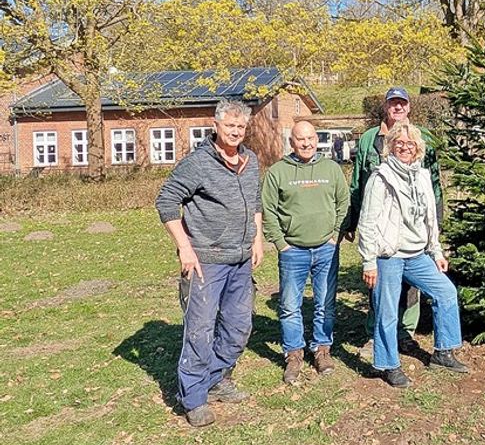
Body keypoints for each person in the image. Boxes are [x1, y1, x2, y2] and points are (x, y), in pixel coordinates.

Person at [155, 100, 263, 427]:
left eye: (240, 127)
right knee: (200, 329)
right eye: (229, 126)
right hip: (206, 260)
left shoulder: (250, 160)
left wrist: (257, 238)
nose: (235, 132)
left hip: (241, 259)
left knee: (238, 326)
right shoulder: (199, 163)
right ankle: (193, 396)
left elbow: (255, 201)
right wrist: (185, 249)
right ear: (215, 125)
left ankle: (216, 378)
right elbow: (166, 201)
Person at [358, 123, 467, 388]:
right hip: (389, 256)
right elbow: (368, 222)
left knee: (446, 292)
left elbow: (430, 218)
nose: (405, 147)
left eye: (410, 144)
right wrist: (369, 261)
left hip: (418, 255)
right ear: (391, 146)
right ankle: (388, 364)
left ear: (418, 147)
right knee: (387, 311)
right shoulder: (381, 177)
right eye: (399, 143)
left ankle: (443, 352)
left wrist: (436, 251)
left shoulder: (422, 176)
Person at [344, 87, 443, 357]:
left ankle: (405, 333)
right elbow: (357, 183)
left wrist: (437, 227)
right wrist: (351, 222)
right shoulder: (368, 140)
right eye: (393, 104)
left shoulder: (421, 138)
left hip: (413, 230)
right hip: (380, 227)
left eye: (402, 104)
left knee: (412, 287)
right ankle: (375, 334)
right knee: (379, 282)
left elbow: (433, 185)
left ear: (409, 108)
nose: (397, 108)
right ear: (385, 107)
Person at [262, 121, 349, 384]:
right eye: (301, 139)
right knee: (290, 306)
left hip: (326, 249)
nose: (307, 143)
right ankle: (294, 353)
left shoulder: (331, 169)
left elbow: (343, 202)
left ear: (317, 139)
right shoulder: (278, 172)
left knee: (325, 303)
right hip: (293, 251)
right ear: (292, 143)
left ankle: (322, 349)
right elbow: (268, 210)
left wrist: (336, 235)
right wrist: (280, 243)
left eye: (311, 138)